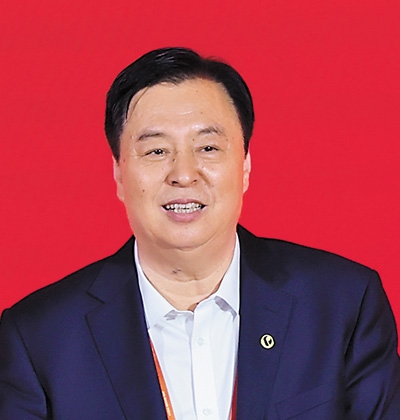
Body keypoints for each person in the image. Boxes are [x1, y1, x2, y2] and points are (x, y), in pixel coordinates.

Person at [0, 47, 399, 420]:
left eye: (208, 148)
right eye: (156, 151)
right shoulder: (38, 339)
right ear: (119, 173)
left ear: (245, 165)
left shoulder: (343, 305)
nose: (184, 174)